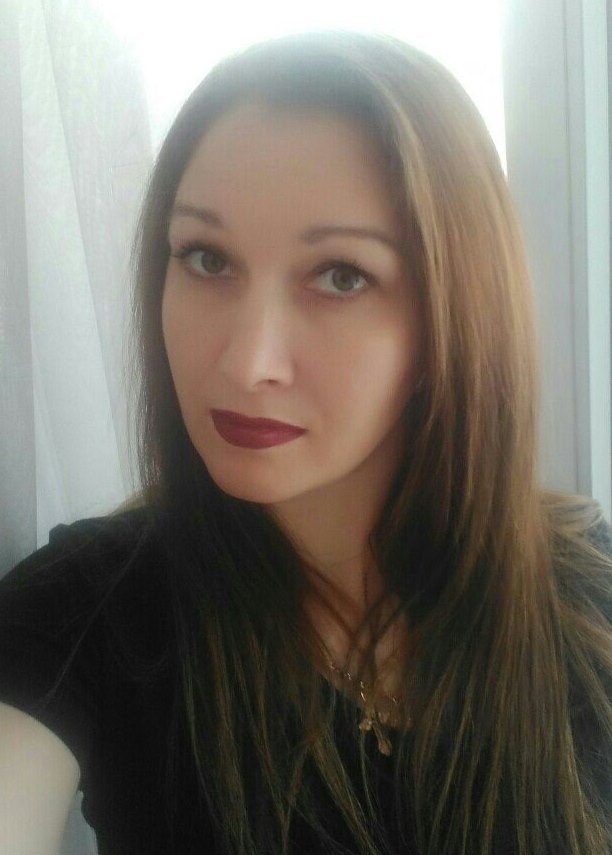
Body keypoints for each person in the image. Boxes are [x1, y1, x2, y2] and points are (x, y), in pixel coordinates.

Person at [0, 28, 610, 855]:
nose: (245, 363)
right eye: (206, 257)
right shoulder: (84, 613)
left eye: (341, 275)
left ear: (453, 318)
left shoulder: (585, 591)